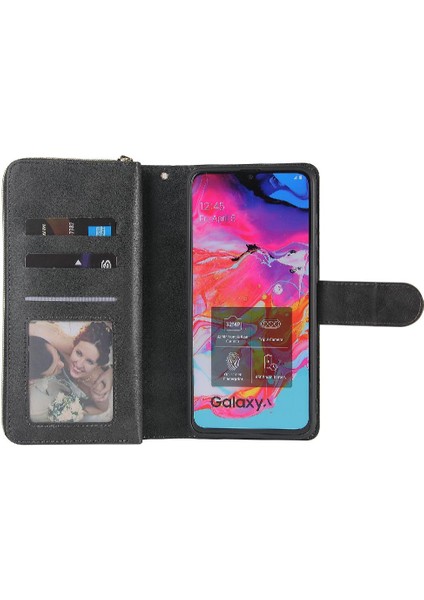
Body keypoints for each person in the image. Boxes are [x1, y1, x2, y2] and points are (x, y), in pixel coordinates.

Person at [28, 321, 113, 419]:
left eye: (89, 361)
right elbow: (32, 330)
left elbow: (102, 409)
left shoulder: (98, 386)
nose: (79, 364)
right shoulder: (66, 348)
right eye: (79, 353)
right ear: (74, 346)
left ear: (97, 365)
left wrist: (73, 410)